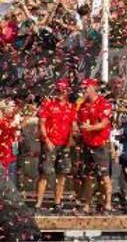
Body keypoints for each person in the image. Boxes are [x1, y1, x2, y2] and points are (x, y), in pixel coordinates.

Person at [35, 80, 76, 212]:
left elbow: (73, 126)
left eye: (63, 90)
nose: (60, 93)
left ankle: (57, 203)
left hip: (64, 144)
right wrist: (46, 140)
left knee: (62, 174)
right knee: (45, 173)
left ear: (67, 91)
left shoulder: (71, 107)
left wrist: (70, 141)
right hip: (50, 143)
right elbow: (41, 123)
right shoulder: (48, 104)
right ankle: (38, 203)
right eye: (58, 90)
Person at [76, 78, 114, 214]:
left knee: (104, 176)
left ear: (92, 88)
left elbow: (104, 123)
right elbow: (79, 124)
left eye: (85, 88)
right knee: (88, 176)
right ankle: (87, 205)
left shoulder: (104, 103)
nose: (83, 91)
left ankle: (108, 204)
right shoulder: (83, 106)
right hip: (87, 145)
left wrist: (90, 128)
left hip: (100, 144)